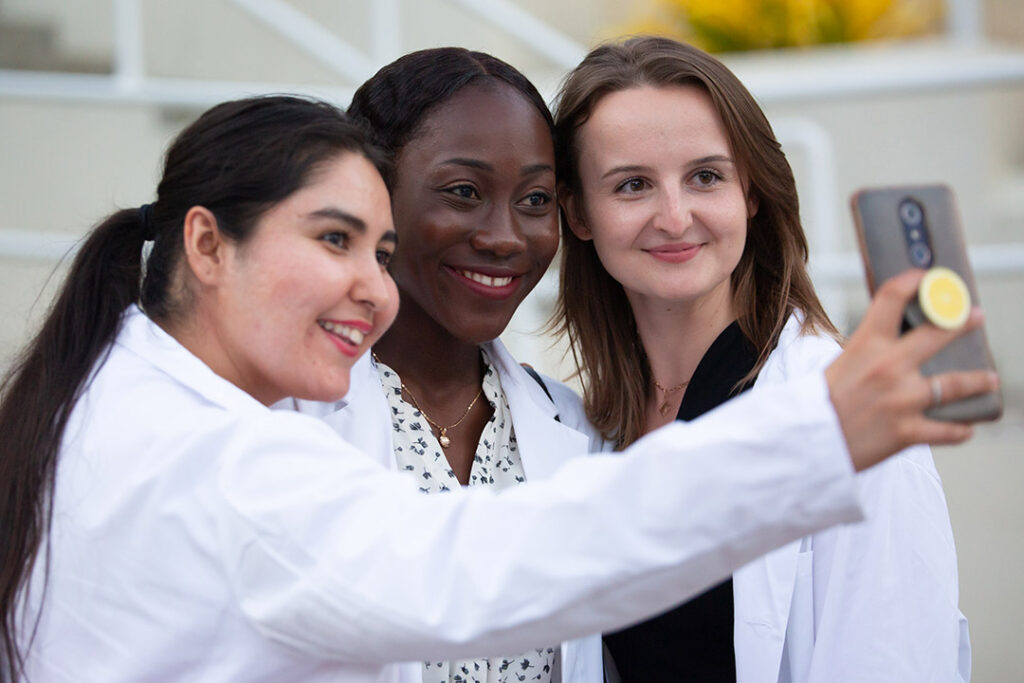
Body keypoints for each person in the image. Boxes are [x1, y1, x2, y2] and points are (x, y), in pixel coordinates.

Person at [0, 95, 992, 683]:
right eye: (333, 238)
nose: (371, 286)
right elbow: (485, 557)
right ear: (207, 244)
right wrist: (816, 436)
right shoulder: (220, 460)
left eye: (379, 249)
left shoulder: (100, 397)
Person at [552, 36, 974, 682]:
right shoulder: (591, 425)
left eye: (706, 176)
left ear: (751, 192)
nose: (674, 216)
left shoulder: (842, 409)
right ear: (579, 212)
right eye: (632, 184)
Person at [286, 47, 603, 683]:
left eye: (535, 199)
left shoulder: (575, 428)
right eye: (464, 192)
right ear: (371, 195)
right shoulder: (282, 415)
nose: (505, 236)